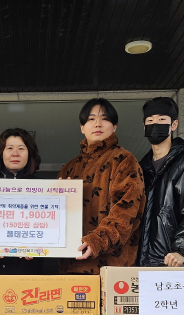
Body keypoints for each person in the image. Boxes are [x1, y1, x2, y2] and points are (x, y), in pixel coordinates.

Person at [59, 98, 146, 275]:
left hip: (111, 267)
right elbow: (55, 219)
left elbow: (125, 213)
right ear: (82, 127)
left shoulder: (124, 160)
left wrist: (97, 241)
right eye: (91, 119)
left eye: (104, 118)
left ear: (114, 126)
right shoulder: (70, 167)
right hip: (71, 265)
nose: (97, 123)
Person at [138, 97, 184, 267]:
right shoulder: (141, 167)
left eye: (162, 119)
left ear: (174, 125)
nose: (155, 124)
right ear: (144, 126)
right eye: (150, 120)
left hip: (176, 263)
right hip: (144, 263)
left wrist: (182, 250)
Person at [0, 128, 45, 294]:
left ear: (30, 153)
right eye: (9, 148)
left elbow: (51, 230)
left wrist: (67, 196)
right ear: (1, 153)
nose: (15, 153)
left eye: (21, 148)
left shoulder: (44, 188)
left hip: (29, 272)